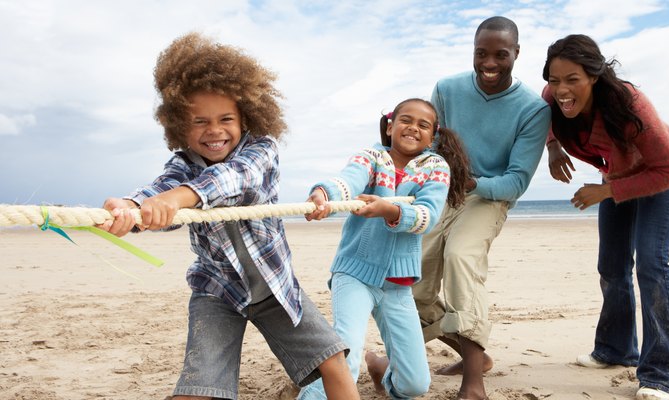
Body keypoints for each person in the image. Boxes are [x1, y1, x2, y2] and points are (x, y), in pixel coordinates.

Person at [96, 32, 359, 400]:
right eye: (199, 121)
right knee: (198, 387)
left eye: (225, 118)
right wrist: (132, 209)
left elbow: (233, 179)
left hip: (274, 287)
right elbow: (160, 193)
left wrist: (178, 197)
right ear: (178, 126)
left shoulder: (261, 151)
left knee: (333, 361)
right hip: (218, 290)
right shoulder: (182, 166)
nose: (214, 130)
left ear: (246, 117)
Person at [542, 34, 669, 400]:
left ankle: (662, 374)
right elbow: (535, 113)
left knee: (652, 264)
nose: (561, 90)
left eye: (572, 79)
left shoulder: (628, 104)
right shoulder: (552, 99)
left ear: (594, 75)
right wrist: (553, 147)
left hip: (662, 174)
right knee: (611, 265)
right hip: (618, 176)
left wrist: (605, 191)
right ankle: (615, 349)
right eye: (554, 79)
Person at [412, 16, 551, 400]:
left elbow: (516, 181)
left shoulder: (533, 110)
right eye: (481, 54)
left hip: (489, 197)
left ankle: (473, 382)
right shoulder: (447, 89)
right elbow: (430, 150)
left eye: (500, 55)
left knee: (460, 257)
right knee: (413, 277)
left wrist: (471, 182)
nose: (489, 63)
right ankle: (476, 355)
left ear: (516, 54)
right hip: (444, 192)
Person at [297, 98, 471, 400]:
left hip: (398, 284)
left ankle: (382, 371)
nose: (413, 128)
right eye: (406, 120)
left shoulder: (435, 167)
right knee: (345, 360)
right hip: (355, 274)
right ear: (390, 126)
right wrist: (323, 193)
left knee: (416, 384)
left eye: (423, 125)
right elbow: (348, 181)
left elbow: (428, 217)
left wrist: (389, 210)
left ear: (433, 136)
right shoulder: (372, 156)